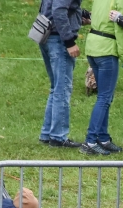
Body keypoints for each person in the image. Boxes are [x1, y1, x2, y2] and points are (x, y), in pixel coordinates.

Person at [79, 0, 123, 155]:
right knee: (104, 97)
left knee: (105, 96)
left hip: (93, 46)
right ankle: (90, 140)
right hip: (107, 49)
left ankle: (103, 138)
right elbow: (122, 28)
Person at [38, 0, 89, 148]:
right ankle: (58, 137)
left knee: (56, 87)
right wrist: (69, 42)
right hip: (58, 39)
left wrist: (82, 14)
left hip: (46, 35)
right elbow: (59, 11)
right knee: (62, 88)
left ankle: (47, 133)